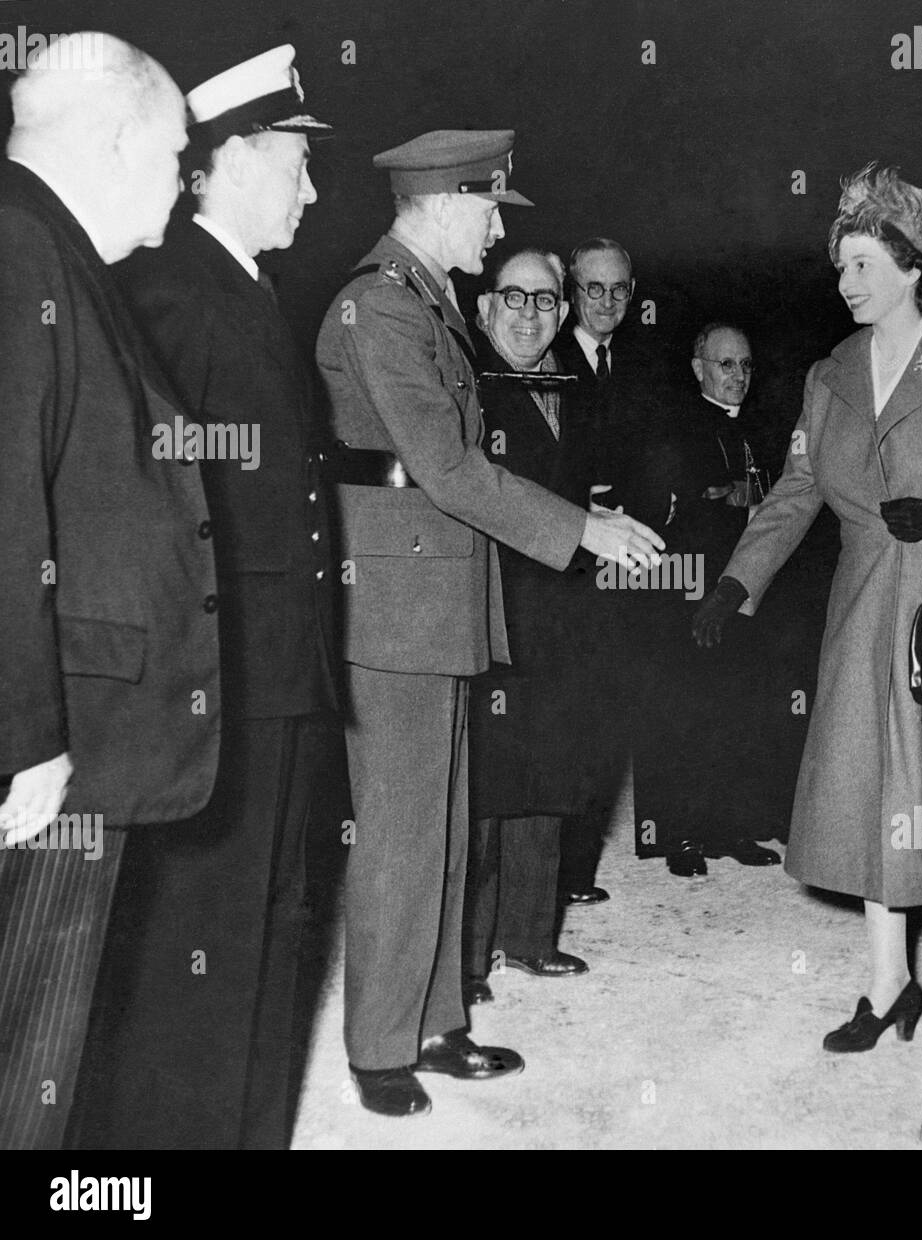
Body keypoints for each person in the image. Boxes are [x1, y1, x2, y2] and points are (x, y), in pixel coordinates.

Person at [315, 131, 662, 1118]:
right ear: (437, 203)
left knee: (441, 825)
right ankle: (380, 1043)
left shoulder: (422, 300)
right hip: (394, 599)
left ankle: (432, 1021)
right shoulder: (379, 305)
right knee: (396, 831)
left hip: (438, 591)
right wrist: (580, 527)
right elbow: (448, 466)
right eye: (489, 209)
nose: (497, 227)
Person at [694, 163, 922, 1051]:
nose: (844, 282)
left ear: (910, 265)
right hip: (861, 611)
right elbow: (798, 488)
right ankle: (888, 983)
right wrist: (737, 583)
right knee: (873, 793)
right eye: (840, 266)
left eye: (860, 264)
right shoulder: (830, 374)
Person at [72, 46, 339, 1150]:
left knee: (268, 930)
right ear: (227, 162)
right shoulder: (177, 293)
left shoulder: (244, 290)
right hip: (216, 691)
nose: (314, 190)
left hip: (275, 675)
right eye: (296, 164)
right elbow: (148, 509)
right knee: (203, 950)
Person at [0, 33, 220, 1149]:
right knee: (26, 1053)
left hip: (75, 732)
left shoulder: (53, 254)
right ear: (122, 135)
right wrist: (27, 737)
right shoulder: (21, 249)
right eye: (177, 151)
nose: (184, 181)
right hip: (52, 756)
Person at [463, 247, 620, 1003]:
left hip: (561, 610)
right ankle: (467, 958)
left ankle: (528, 936)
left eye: (545, 301)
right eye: (514, 299)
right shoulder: (466, 385)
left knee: (551, 769)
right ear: (485, 307)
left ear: (563, 312)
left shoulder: (574, 385)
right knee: (487, 784)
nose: (529, 315)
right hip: (488, 604)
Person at [634, 322, 783, 876]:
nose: (738, 376)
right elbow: (673, 501)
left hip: (753, 589)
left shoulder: (765, 426)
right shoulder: (675, 425)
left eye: (745, 366)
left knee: (743, 711)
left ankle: (735, 828)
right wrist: (722, 496)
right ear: (699, 368)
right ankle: (683, 836)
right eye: (726, 365)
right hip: (691, 587)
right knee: (688, 713)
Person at [551, 237, 667, 905]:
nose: (607, 302)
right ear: (572, 291)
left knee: (604, 715)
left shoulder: (637, 364)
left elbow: (656, 459)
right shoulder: (545, 352)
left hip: (620, 569)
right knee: (565, 717)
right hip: (560, 562)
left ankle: (579, 870)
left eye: (619, 290)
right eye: (593, 289)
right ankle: (555, 869)